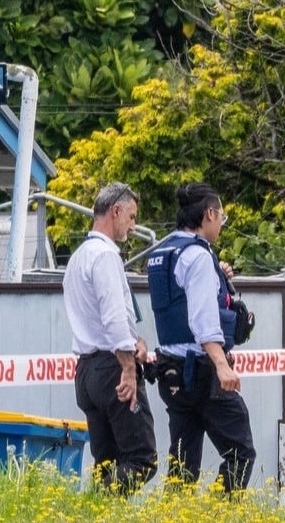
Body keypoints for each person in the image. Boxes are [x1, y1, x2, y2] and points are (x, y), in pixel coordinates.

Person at [146, 183, 256, 492]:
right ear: (209, 214)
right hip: (202, 370)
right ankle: (219, 514)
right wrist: (222, 365)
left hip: (171, 370)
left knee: (183, 463)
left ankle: (175, 516)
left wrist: (216, 274)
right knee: (241, 452)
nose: (221, 224)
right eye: (222, 216)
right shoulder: (197, 257)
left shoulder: (164, 253)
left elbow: (179, 302)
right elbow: (202, 319)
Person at [61, 183, 157, 493]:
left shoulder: (78, 258)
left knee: (107, 462)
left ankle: (98, 514)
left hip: (86, 370)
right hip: (112, 368)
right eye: (131, 217)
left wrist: (134, 342)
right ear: (115, 211)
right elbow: (113, 317)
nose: (133, 225)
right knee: (142, 460)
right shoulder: (105, 256)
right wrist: (128, 367)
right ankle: (97, 503)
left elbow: (96, 318)